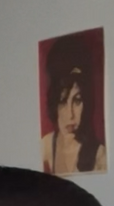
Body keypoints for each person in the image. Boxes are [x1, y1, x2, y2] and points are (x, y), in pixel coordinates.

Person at [41, 35, 106, 175]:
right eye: (62, 101)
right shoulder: (46, 145)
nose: (70, 115)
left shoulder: (100, 156)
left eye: (77, 101)